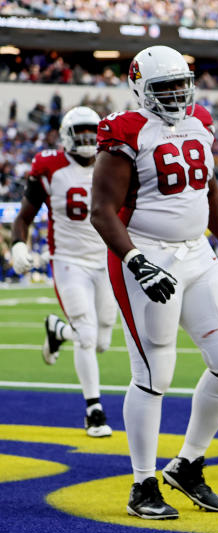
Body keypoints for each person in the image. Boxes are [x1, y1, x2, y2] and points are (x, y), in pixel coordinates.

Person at [90, 45, 218, 519]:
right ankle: (142, 483)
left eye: (181, 85)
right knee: (154, 374)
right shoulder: (125, 131)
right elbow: (102, 209)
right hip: (145, 252)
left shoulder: (199, 119)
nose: (175, 95)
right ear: (140, 88)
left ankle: (188, 463)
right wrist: (137, 261)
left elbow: (206, 186)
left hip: (197, 253)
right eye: (164, 88)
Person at [10, 105, 117, 437]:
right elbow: (23, 217)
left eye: (92, 132)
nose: (87, 139)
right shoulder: (50, 167)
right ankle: (94, 410)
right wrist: (18, 244)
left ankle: (57, 331)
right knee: (86, 336)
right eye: (80, 133)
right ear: (68, 137)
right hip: (69, 260)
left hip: (106, 260)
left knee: (102, 341)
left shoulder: (112, 164)